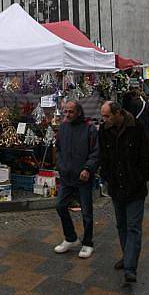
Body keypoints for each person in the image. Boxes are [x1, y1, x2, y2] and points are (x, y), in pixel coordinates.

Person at [99, 101, 149, 283]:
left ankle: (130, 267)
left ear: (118, 113)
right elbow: (103, 156)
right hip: (116, 186)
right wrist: (106, 175)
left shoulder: (137, 128)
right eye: (103, 116)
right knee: (121, 225)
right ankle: (127, 256)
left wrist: (140, 177)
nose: (104, 120)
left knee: (133, 227)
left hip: (134, 187)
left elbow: (147, 155)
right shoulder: (104, 130)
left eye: (107, 116)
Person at [54, 100, 99, 259]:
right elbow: (58, 149)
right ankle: (71, 238)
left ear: (78, 112)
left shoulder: (89, 128)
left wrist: (87, 168)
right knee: (60, 205)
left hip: (83, 178)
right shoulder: (63, 127)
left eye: (70, 112)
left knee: (87, 212)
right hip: (67, 176)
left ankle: (87, 243)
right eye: (65, 111)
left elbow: (95, 152)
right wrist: (61, 165)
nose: (67, 115)